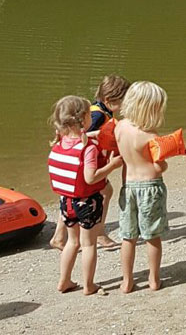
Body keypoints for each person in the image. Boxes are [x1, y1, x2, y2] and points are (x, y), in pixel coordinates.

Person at [47, 95, 124, 295]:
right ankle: (89, 285)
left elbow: (79, 139)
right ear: (83, 119)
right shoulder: (87, 149)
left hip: (67, 201)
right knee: (88, 244)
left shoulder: (61, 141)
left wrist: (96, 134)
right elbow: (91, 178)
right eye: (90, 114)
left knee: (72, 242)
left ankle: (63, 281)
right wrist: (112, 166)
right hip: (87, 202)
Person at [50, 74, 130, 252]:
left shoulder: (102, 111)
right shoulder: (96, 115)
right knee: (93, 194)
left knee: (73, 198)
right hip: (85, 169)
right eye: (124, 101)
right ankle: (98, 233)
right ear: (109, 99)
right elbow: (80, 137)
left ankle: (61, 236)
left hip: (86, 166)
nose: (126, 105)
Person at [115, 81, 170, 293]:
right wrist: (164, 161)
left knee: (128, 236)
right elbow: (158, 167)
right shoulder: (151, 136)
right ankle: (154, 280)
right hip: (150, 187)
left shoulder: (120, 127)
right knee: (152, 236)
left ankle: (127, 281)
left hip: (128, 187)